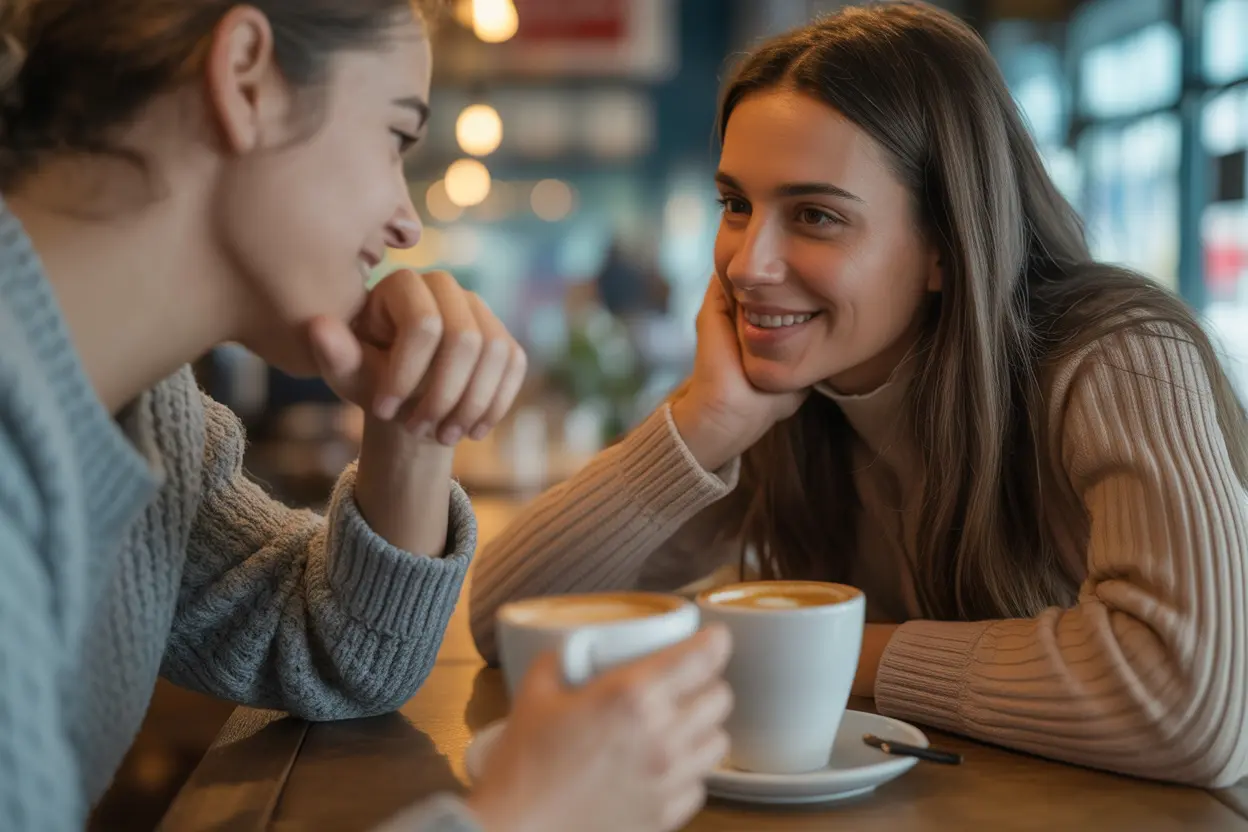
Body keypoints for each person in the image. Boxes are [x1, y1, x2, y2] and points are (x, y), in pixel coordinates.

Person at [471, 0, 1248, 789]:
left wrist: (841, 649)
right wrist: (707, 424)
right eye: (736, 205)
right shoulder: (784, 389)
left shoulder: (1120, 357)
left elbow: (1191, 701)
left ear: (945, 246)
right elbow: (511, 624)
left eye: (814, 215)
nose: (746, 265)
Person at [0, 1, 731, 830]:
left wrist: (414, 425)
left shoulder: (147, 409)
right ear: (246, 80)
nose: (406, 219)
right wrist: (525, 819)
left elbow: (339, 656)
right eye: (395, 138)